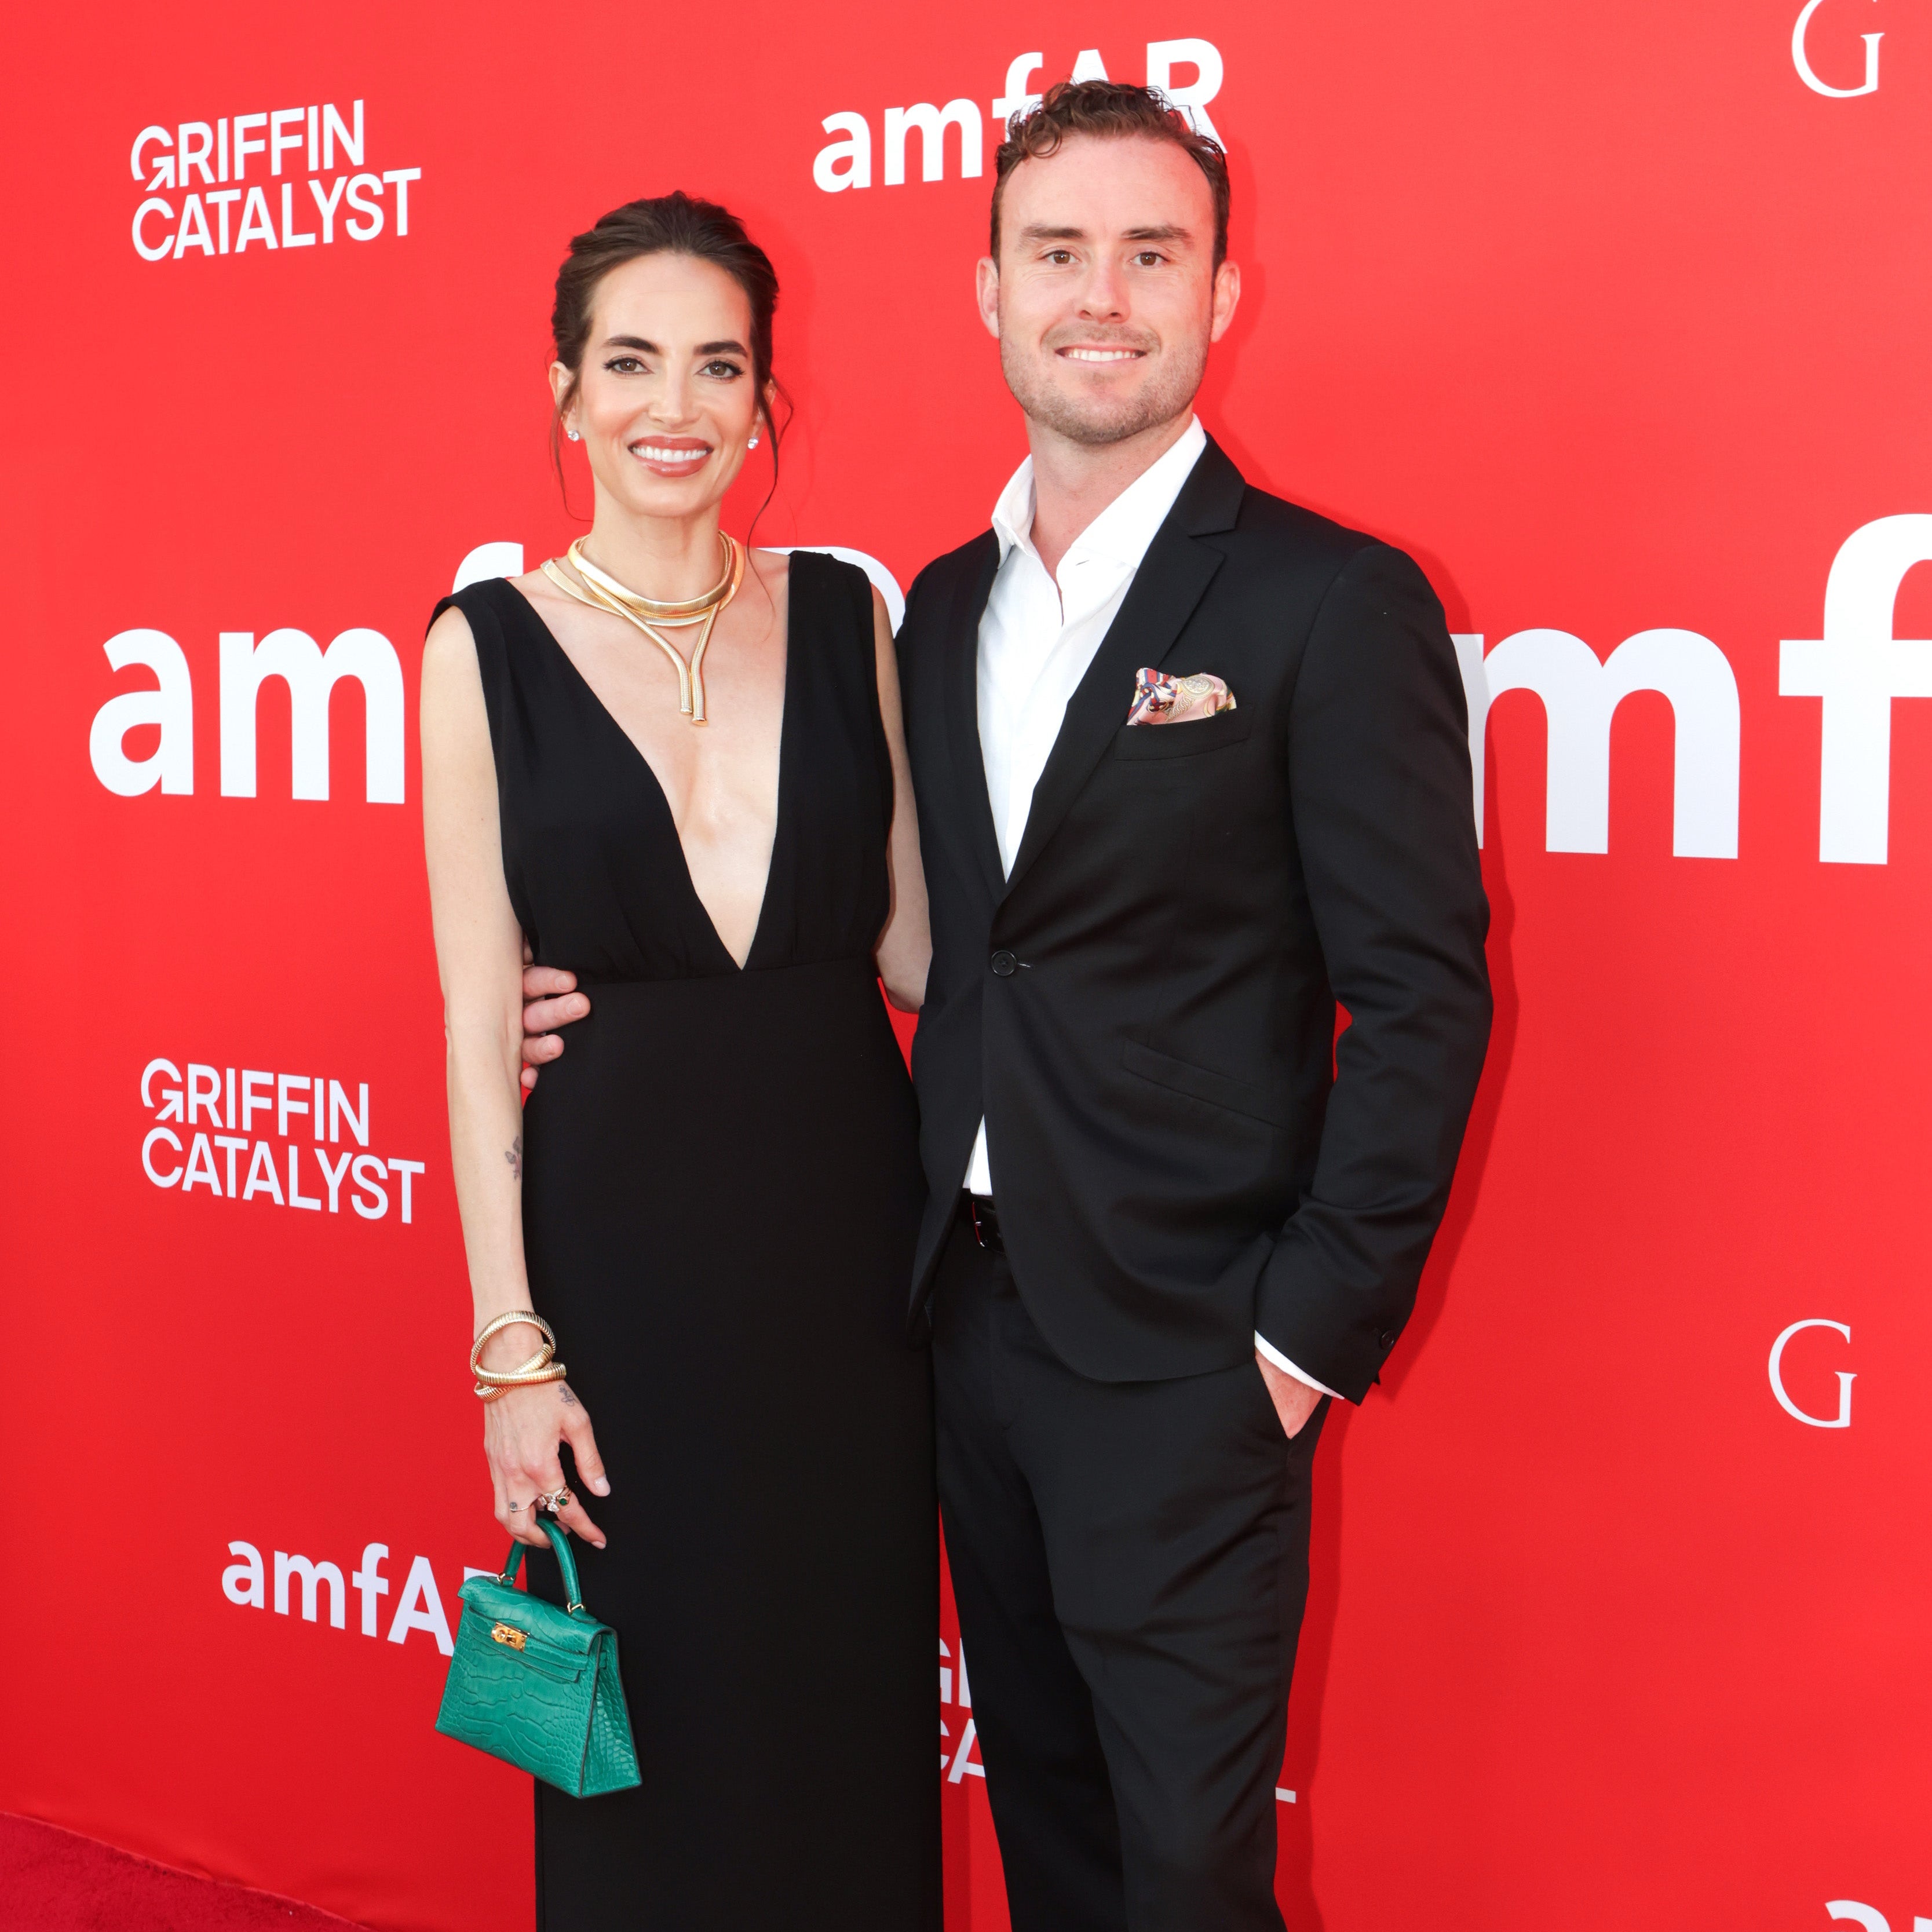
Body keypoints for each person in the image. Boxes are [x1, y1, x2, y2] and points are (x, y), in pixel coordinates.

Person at [525, 83, 1493, 1932]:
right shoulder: (936, 611)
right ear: (988, 292)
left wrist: (1301, 1340)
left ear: (1225, 291)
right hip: (955, 1334)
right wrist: (580, 1010)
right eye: (1058, 252)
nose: (1103, 295)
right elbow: (879, 942)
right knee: (1045, 1824)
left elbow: (1423, 999)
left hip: (1199, 1355)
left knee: (1188, 1872)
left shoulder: (1329, 602)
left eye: (1155, 252)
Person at [419, 192, 940, 1930]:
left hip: (850, 1279)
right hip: (620, 1286)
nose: (677, 405)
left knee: (843, 1717)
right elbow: (478, 1032)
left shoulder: (846, 614)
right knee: (648, 1759)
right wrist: (512, 1351)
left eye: (720, 365)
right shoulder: (477, 651)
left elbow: (916, 951)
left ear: (767, 399)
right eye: (631, 361)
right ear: (565, 394)